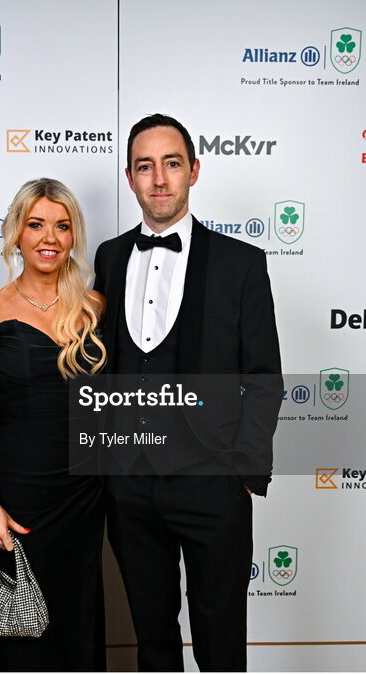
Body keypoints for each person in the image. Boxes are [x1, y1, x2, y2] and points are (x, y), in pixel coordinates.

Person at [93, 114, 282, 671]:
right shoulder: (107, 257)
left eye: (171, 164)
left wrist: (242, 475)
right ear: (129, 177)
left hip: (212, 485)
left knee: (221, 648)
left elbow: (265, 377)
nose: (159, 179)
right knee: (153, 644)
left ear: (194, 171)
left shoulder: (241, 263)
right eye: (145, 166)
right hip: (130, 487)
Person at [0, 178, 107, 671]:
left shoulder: (95, 309)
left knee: (74, 626)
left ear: (74, 235)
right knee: (12, 633)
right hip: (14, 497)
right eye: (36, 225)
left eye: (62, 225)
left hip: (82, 497)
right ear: (17, 233)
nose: (49, 238)